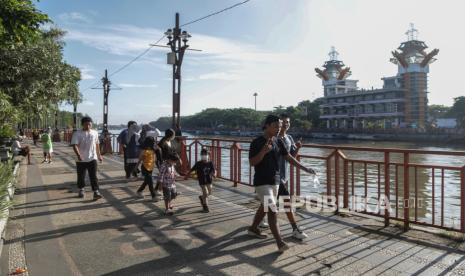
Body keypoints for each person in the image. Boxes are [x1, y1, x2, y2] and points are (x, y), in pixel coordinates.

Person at [247, 114, 315, 253]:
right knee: (272, 208)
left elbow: (289, 157)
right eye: (275, 126)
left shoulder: (279, 142)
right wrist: (263, 152)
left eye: (279, 126)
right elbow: (252, 162)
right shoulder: (257, 142)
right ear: (267, 125)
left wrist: (305, 168)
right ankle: (280, 242)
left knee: (265, 206)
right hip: (261, 182)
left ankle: (253, 228)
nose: (278, 128)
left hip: (276, 181)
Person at [260, 114, 309, 240]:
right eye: (282, 123)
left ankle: (256, 224)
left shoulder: (289, 138)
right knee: (284, 202)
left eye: (287, 123)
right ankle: (294, 229)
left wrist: (297, 148)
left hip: (284, 175)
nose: (285, 125)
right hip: (273, 176)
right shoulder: (272, 139)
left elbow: (290, 156)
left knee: (269, 202)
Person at [71, 116, 103, 200]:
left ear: (91, 124)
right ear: (82, 125)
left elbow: (97, 144)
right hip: (81, 159)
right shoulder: (77, 133)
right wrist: (78, 155)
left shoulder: (95, 133)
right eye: (86, 124)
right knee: (81, 175)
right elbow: (74, 145)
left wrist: (99, 155)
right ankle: (81, 189)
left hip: (92, 158)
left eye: (89, 124)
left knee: (93, 176)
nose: (88, 126)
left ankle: (96, 191)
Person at [185, 148, 216, 212]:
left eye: (205, 154)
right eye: (202, 154)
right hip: (202, 180)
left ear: (208, 155)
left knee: (209, 192)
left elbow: (214, 170)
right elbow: (192, 170)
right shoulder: (198, 163)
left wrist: (214, 174)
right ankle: (205, 206)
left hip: (209, 179)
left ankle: (201, 197)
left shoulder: (211, 163)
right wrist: (187, 175)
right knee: (205, 192)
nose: (204, 156)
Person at [135, 136, 157, 201]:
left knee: (146, 181)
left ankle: (139, 191)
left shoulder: (153, 150)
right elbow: (140, 159)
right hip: (145, 168)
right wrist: (136, 167)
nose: (154, 143)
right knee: (150, 182)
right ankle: (154, 196)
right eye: (153, 142)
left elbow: (154, 159)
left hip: (151, 167)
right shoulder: (145, 151)